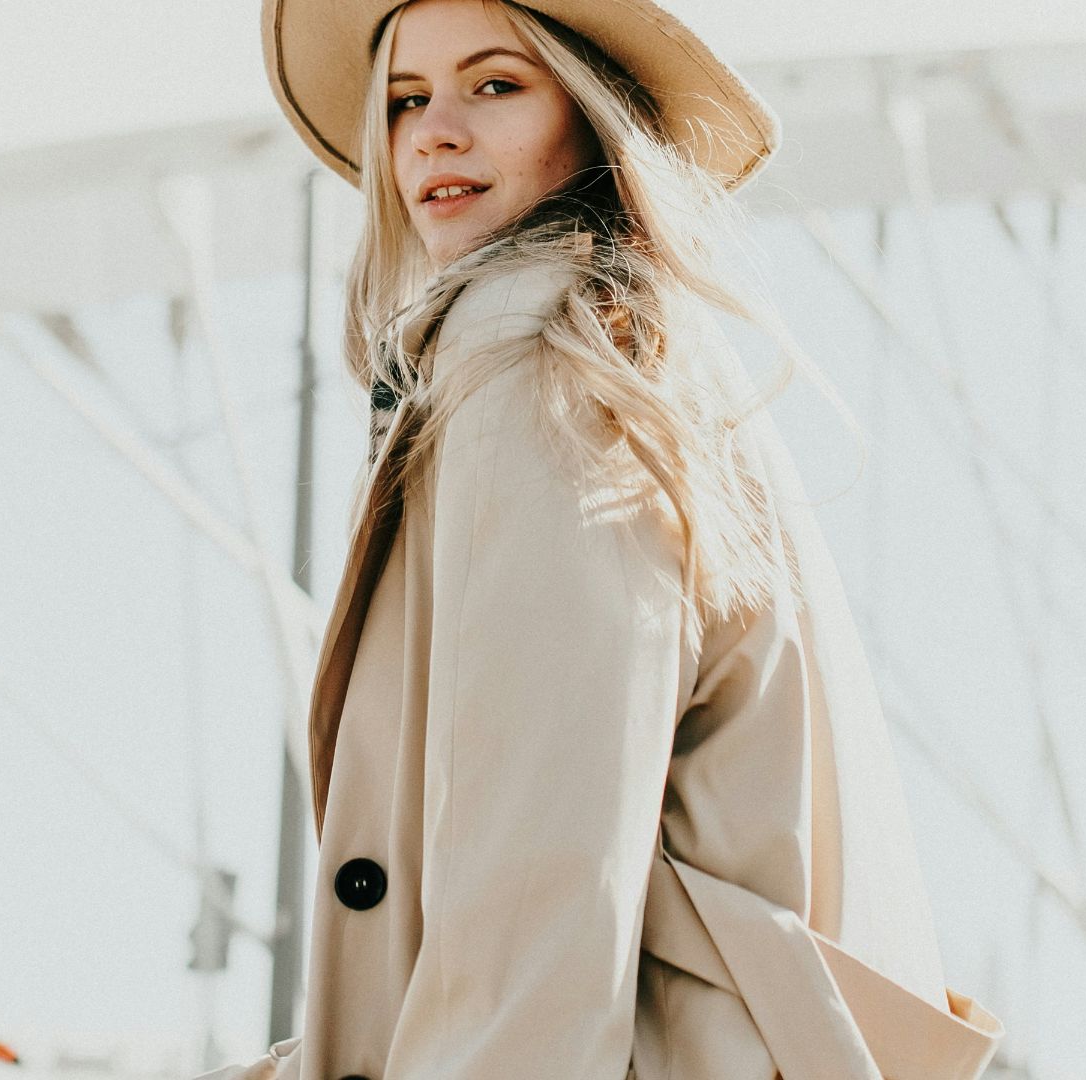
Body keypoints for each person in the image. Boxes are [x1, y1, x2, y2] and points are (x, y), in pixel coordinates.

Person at [200, 0, 1007, 1076]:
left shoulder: (538, 361)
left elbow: (540, 880)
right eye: (405, 101)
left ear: (591, 114)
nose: (435, 130)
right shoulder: (634, 357)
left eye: (496, 85)